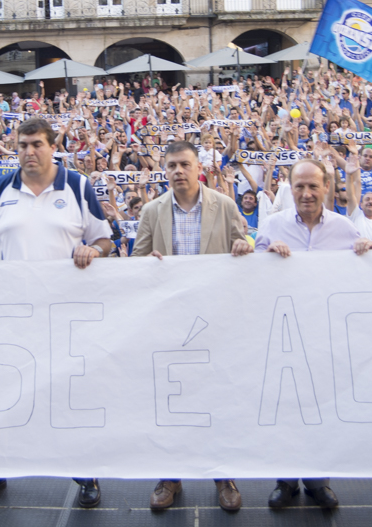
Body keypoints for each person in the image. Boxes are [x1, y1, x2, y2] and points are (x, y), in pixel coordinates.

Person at [0, 117, 112, 510]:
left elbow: (103, 237)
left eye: (36, 144)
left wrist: (94, 250)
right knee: (3, 395)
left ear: (53, 146)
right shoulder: (2, 187)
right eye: (22, 145)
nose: (28, 152)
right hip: (10, 313)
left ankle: (85, 472)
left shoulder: (78, 186)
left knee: (65, 395)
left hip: (62, 313)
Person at [132, 140, 252, 513]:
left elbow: (243, 241)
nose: (177, 171)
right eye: (171, 166)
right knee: (171, 400)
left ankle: (224, 475)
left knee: (218, 396)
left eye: (184, 164)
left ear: (199, 167)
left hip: (215, 318)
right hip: (170, 319)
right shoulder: (152, 211)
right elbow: (136, 261)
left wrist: (245, 245)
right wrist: (148, 262)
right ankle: (171, 475)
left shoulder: (225, 204)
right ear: (164, 170)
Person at [257, 158, 372, 513]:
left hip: (327, 338)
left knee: (322, 411)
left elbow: (371, 274)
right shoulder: (271, 225)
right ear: (289, 188)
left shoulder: (345, 228)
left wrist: (370, 253)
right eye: (299, 186)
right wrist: (263, 255)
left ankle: (319, 481)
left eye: (314, 186)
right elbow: (251, 277)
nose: (307, 194)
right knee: (287, 413)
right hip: (284, 339)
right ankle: (286, 481)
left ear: (327, 187)